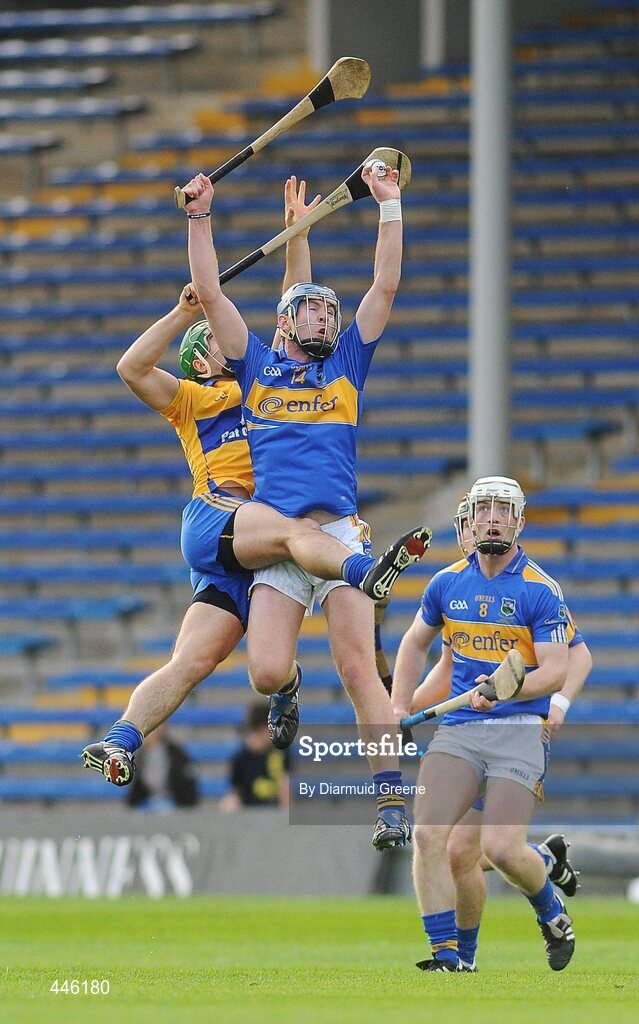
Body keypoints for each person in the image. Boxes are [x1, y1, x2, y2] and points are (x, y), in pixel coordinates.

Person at [81, 179, 427, 791]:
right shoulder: (200, 396)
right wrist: (191, 292)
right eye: (215, 340)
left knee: (209, 663)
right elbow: (157, 348)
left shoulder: (267, 379)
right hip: (233, 524)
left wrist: (300, 231)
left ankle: (124, 737)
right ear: (201, 357)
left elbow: (298, 307)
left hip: (266, 541)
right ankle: (360, 576)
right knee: (297, 535)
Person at [182, 162, 431, 850]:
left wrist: (390, 205)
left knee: (357, 670)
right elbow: (207, 291)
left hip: (342, 534)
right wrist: (200, 215)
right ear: (287, 317)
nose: (328, 315)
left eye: (331, 309)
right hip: (282, 543)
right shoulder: (256, 366)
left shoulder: (347, 364)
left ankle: (389, 806)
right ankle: (289, 688)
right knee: (264, 672)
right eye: (315, 307)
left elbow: (385, 284)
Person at [391, 476, 578, 972]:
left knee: (498, 847)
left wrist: (507, 690)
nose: (491, 518)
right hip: (460, 733)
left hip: (519, 728)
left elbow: (557, 669)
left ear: (518, 523)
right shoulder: (447, 583)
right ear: (469, 521)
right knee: (434, 839)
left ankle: (549, 909)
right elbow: (414, 645)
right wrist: (396, 706)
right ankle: (451, 957)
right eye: (483, 511)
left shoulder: (540, 590)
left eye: (502, 511)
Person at [219, 702, 289, 812]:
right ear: (263, 729)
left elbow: (284, 788)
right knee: (228, 804)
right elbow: (235, 792)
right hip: (248, 814)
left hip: (274, 813)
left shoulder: (280, 752)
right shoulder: (241, 758)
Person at [126, 724, 199, 811]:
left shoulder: (175, 753)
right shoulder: (140, 756)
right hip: (148, 803)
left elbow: (186, 782)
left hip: (174, 803)